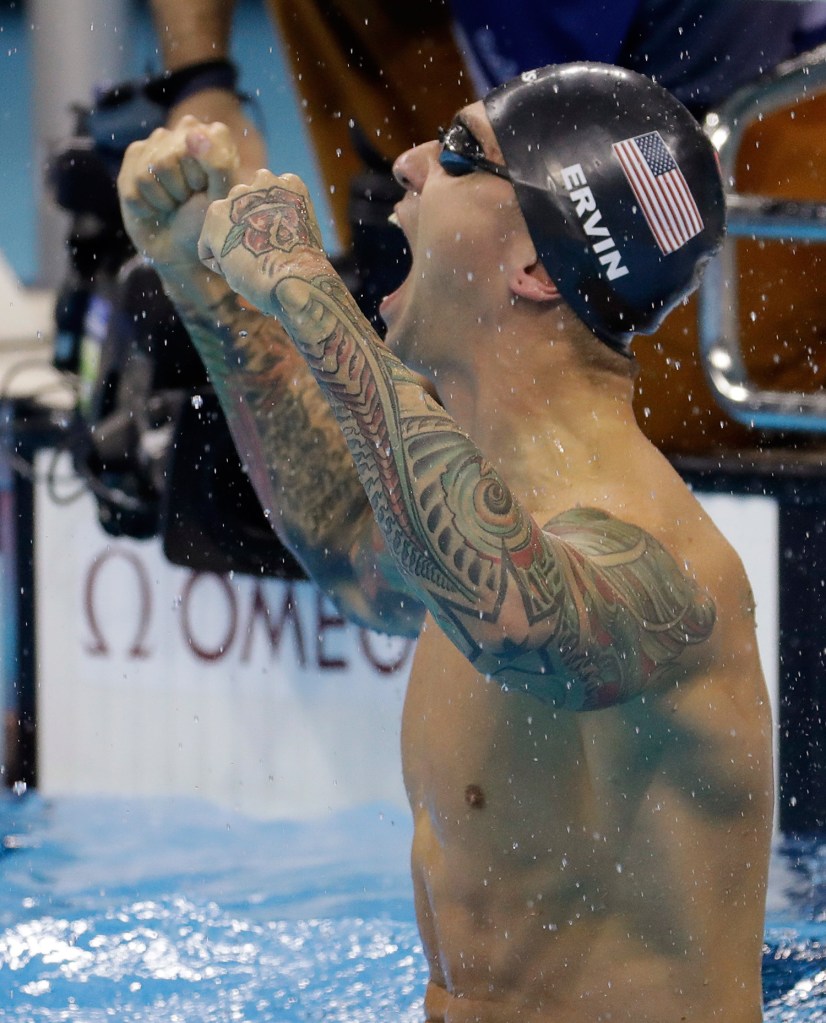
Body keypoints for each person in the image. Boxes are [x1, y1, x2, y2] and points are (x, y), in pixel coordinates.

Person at [118, 62, 774, 1021]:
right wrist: (206, 283)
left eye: (464, 154)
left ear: (539, 268)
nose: (414, 162)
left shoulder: (659, 553)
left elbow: (510, 612)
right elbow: (351, 546)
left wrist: (305, 284)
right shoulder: (474, 504)